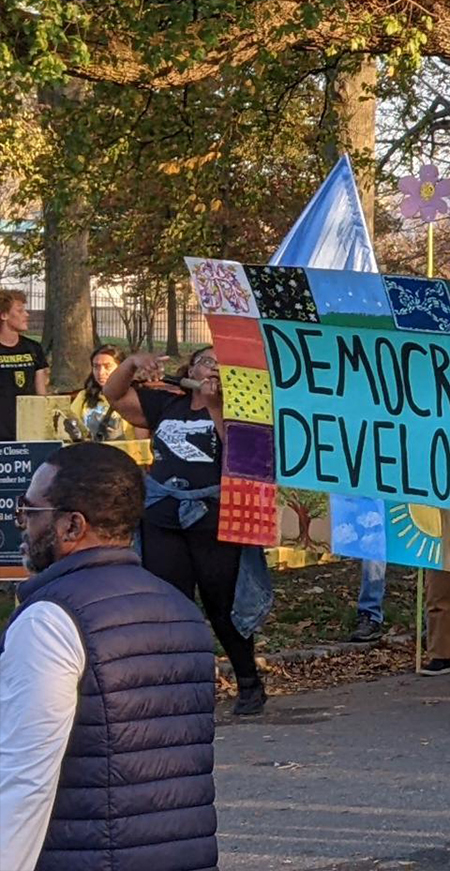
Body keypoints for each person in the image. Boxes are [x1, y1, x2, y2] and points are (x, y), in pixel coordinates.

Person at [0, 443, 218, 871]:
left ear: (71, 526)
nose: (21, 524)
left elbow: (23, 780)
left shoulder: (50, 621)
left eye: (29, 510)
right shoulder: (182, 612)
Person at [103, 347, 267, 716]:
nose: (214, 366)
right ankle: (179, 686)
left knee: (222, 606)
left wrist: (215, 406)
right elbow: (114, 396)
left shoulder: (242, 410)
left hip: (213, 518)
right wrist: (130, 364)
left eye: (222, 361)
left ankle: (249, 682)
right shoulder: (166, 403)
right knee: (170, 605)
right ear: (191, 368)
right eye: (207, 360)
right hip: (163, 515)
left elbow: (242, 458)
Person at [0, 288, 49, 441]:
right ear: (4, 315)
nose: (26, 315)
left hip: (28, 430)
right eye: (20, 311)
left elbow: (41, 394)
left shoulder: (34, 348)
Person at [60, 344, 132, 442]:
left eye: (107, 366)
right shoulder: (83, 396)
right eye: (96, 367)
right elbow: (70, 427)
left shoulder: (134, 398)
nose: (101, 372)